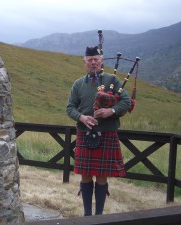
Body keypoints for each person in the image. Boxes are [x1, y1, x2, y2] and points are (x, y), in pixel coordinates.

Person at [66, 46, 131, 216]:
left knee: (102, 176)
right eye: (90, 59)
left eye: (96, 59)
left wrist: (111, 111)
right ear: (85, 62)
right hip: (85, 134)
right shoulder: (78, 84)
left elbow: (126, 102)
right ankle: (88, 215)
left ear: (101, 61)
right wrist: (81, 117)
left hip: (107, 133)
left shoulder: (112, 80)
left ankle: (99, 215)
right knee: (86, 176)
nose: (93, 62)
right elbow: (70, 107)